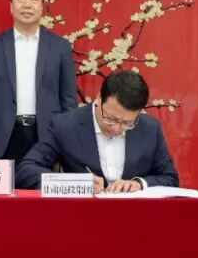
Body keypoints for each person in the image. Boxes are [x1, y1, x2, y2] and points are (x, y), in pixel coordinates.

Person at [15, 70, 179, 193]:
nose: (117, 128)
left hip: (134, 219)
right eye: (110, 118)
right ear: (99, 98)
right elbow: (25, 170)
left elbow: (170, 177)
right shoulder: (65, 125)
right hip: (80, 217)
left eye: (127, 123)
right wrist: (74, 183)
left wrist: (139, 184)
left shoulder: (150, 128)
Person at [0, 0, 77, 166]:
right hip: (3, 135)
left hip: (45, 135)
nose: (27, 5)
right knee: (5, 185)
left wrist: (67, 141)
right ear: (11, 6)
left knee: (39, 184)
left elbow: (68, 99)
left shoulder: (60, 47)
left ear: (42, 7)